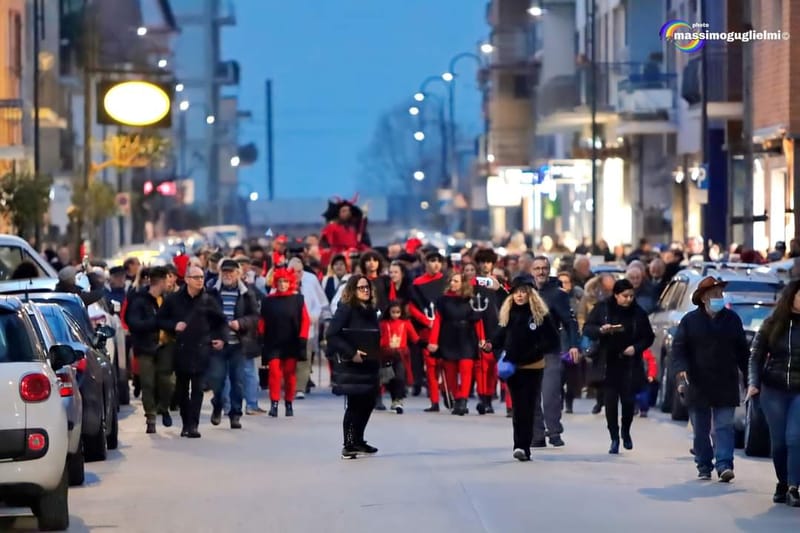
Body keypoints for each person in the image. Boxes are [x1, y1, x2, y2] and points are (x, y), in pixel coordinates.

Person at [672, 276, 749, 481]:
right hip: (698, 382)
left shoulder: (732, 320)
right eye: (714, 294)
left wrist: (750, 377)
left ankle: (724, 464)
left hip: (726, 381)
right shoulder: (690, 321)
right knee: (701, 429)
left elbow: (743, 351)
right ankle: (704, 464)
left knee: (724, 425)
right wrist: (681, 370)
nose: (719, 297)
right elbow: (679, 349)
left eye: (720, 294)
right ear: (704, 298)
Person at [483, 275, 559, 461]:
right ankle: (519, 445)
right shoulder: (509, 312)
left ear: (530, 294)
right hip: (513, 366)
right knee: (518, 407)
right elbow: (501, 333)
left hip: (533, 366)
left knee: (529, 406)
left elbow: (553, 340)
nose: (519, 295)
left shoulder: (541, 315)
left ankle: (525, 446)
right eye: (516, 292)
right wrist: (491, 344)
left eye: (523, 292)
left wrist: (537, 349)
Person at [584, 279, 654, 454]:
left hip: (630, 363)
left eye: (631, 295)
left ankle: (626, 431)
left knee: (628, 402)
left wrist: (635, 348)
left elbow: (648, 337)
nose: (628, 299)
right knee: (610, 402)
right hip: (608, 362)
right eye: (624, 296)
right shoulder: (603, 308)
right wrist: (601, 330)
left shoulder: (638, 313)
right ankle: (614, 437)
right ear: (616, 295)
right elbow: (588, 328)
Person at [157, 265, 227, 438]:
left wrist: (221, 338)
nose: (200, 280)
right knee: (181, 389)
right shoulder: (174, 299)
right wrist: (173, 325)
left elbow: (221, 321)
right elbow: (159, 319)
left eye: (202, 277)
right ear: (187, 279)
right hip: (180, 349)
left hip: (202, 348)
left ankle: (193, 425)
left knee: (197, 389)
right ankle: (185, 422)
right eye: (196, 277)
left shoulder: (208, 299)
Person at [748, 279, 800, 506]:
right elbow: (756, 356)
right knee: (778, 441)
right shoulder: (772, 324)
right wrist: (753, 383)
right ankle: (782, 481)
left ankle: (793, 486)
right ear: (791, 297)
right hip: (774, 389)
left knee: (795, 438)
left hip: (799, 391)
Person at [326, 275, 381, 459]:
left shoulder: (372, 310)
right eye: (361, 288)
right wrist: (351, 353)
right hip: (352, 365)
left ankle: (359, 439)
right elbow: (332, 334)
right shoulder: (346, 309)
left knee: (369, 402)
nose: (366, 290)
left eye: (367, 287)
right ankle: (348, 444)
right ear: (352, 290)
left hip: (370, 363)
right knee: (355, 405)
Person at [530, 256, 580, 448]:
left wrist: (574, 344)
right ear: (532, 271)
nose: (541, 272)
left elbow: (570, 322)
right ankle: (537, 434)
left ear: (549, 270)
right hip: (529, 351)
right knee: (532, 395)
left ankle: (554, 431)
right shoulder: (525, 292)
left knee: (550, 393)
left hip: (551, 350)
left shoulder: (558, 294)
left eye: (544, 268)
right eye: (537, 268)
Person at [206, 259, 260, 429]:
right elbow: (205, 316)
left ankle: (235, 414)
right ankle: (218, 404)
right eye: (225, 272)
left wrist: (241, 323)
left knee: (237, 381)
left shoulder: (247, 293)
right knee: (217, 379)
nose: (228, 275)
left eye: (231, 272)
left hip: (238, 343)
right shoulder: (212, 292)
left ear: (238, 273)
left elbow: (254, 317)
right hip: (218, 344)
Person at [427, 271, 486, 415]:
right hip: (448, 336)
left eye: (456, 281)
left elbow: (478, 322)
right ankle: (456, 397)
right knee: (450, 373)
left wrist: (482, 339)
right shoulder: (443, 300)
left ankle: (462, 400)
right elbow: (437, 321)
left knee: (466, 370)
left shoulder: (471, 300)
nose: (452, 283)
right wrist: (433, 341)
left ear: (463, 283)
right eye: (451, 281)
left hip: (467, 336)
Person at [260, 268, 310, 417]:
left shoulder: (297, 300)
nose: (283, 284)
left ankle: (289, 402)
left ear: (291, 283)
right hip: (273, 341)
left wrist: (302, 338)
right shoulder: (268, 300)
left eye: (285, 281)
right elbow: (262, 320)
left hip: (291, 341)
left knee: (289, 374)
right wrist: (261, 336)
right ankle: (274, 403)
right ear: (276, 282)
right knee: (274, 373)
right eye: (280, 281)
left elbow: (305, 320)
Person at [125, 266, 170, 433]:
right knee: (148, 383)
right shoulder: (139, 300)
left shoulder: (166, 299)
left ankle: (164, 407)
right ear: (161, 281)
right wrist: (155, 323)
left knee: (167, 382)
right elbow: (134, 323)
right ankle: (150, 417)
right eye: (167, 280)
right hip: (145, 347)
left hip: (165, 346)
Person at [378, 301, 420, 413]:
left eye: (398, 312)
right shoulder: (383, 324)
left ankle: (398, 400)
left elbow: (415, 337)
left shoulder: (406, 323)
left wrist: (424, 345)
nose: (395, 315)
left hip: (401, 355)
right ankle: (386, 400)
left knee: (400, 378)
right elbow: (379, 338)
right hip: (386, 355)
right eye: (393, 312)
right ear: (389, 312)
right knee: (387, 379)